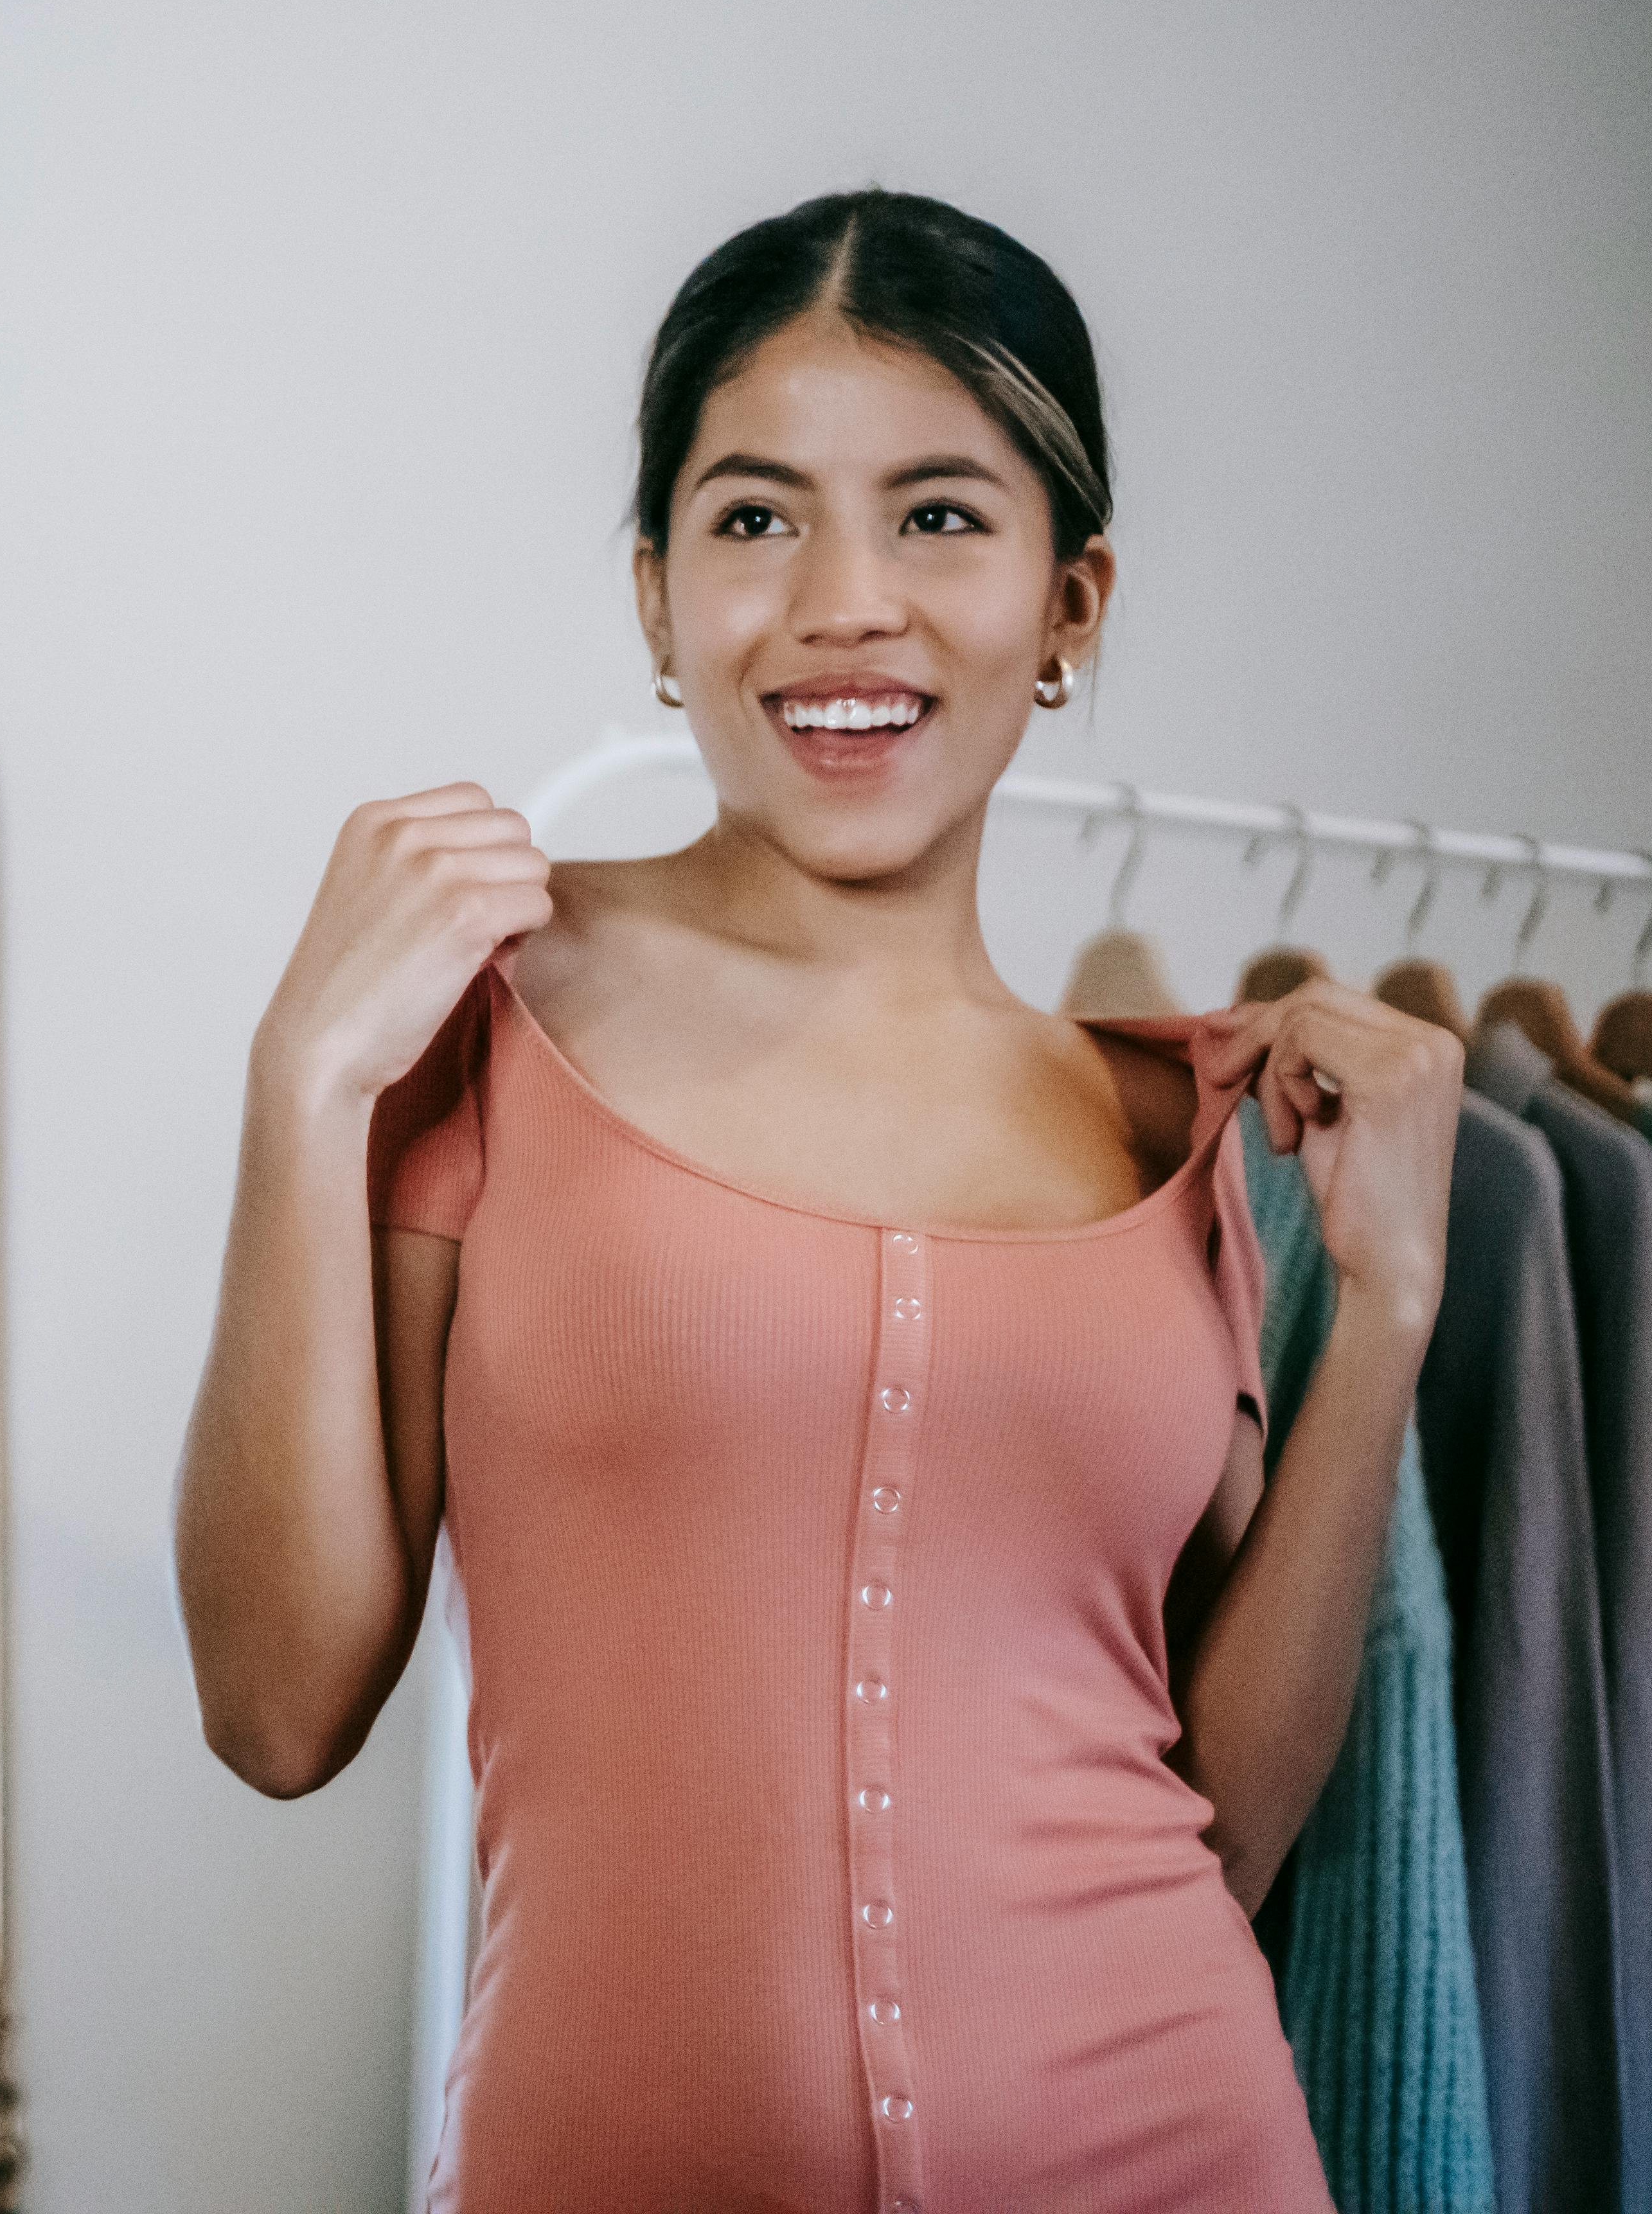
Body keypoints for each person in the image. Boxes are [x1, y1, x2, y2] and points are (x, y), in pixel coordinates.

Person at [175, 191, 1461, 2210]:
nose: (843, 602)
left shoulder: (1164, 1123)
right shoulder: (476, 1016)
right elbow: (274, 1704)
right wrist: (301, 1077)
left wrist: (1381, 1312)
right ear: (654, 591)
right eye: (757, 518)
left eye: (942, 517)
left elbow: (1223, 1832)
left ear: (1073, 601)